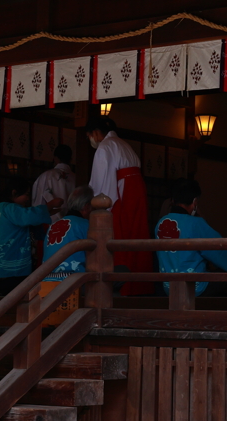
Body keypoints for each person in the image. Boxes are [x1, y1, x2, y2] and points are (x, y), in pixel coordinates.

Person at [85, 116, 152, 294]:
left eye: (90, 135)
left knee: (120, 243)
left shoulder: (105, 148)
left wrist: (100, 210)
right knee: (137, 239)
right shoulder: (124, 145)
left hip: (121, 200)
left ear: (96, 133)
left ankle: (124, 290)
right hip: (135, 197)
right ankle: (139, 288)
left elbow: (102, 187)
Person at [154, 179, 227, 297]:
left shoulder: (160, 223)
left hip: (168, 286)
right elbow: (221, 250)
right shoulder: (195, 223)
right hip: (195, 287)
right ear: (194, 202)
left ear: (172, 200)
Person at [0, 176, 63, 295]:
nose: (27, 199)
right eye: (26, 194)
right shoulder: (11, 208)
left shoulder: (2, 208)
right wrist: (49, 205)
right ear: (14, 193)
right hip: (9, 268)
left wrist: (46, 212)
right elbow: (28, 216)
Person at [43, 186, 93, 280]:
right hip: (73, 281)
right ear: (87, 206)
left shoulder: (53, 225)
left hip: (47, 279)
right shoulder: (86, 225)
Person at [32, 144, 75, 223]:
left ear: (55, 158)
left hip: (51, 222)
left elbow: (38, 204)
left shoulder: (46, 176)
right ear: (71, 159)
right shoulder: (76, 178)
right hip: (72, 222)